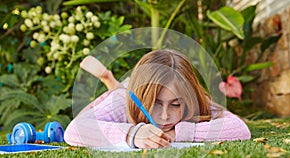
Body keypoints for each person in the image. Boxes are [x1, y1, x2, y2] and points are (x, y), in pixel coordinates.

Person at [64, 49, 251, 148]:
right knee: (114, 94)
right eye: (155, 103)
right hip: (122, 92)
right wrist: (132, 134)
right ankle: (111, 83)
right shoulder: (123, 99)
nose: (164, 116)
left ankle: (112, 81)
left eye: (176, 104)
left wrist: (176, 134)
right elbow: (75, 129)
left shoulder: (194, 97)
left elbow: (240, 128)